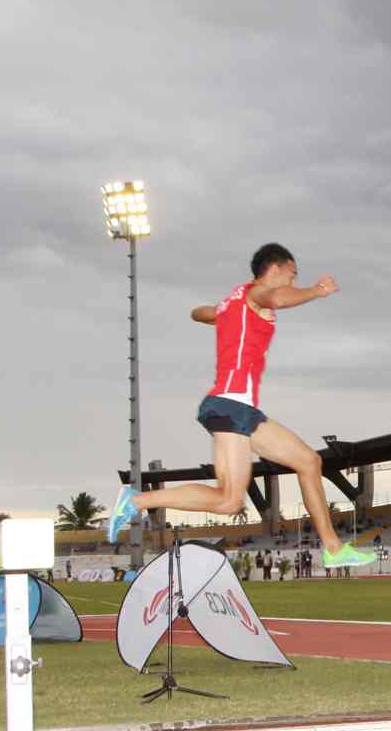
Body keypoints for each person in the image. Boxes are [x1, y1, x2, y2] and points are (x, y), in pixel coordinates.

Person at [105, 243, 374, 572]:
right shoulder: (259, 293)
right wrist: (316, 291)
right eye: (292, 274)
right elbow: (275, 298)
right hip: (231, 405)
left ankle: (332, 548)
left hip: (240, 410)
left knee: (308, 461)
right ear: (275, 269)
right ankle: (136, 501)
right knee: (229, 500)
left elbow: (197, 312)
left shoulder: (236, 301)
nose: (293, 281)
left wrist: (222, 313)